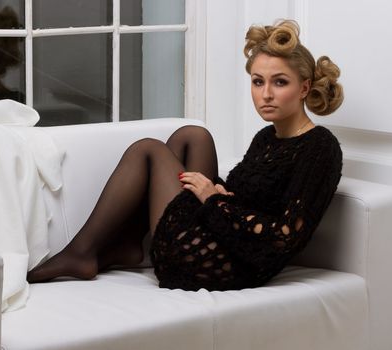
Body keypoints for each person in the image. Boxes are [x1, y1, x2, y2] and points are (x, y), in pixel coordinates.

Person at [27, 19, 344, 291]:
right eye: (258, 82)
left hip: (224, 264)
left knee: (148, 149)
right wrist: (222, 196)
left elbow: (282, 240)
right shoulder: (266, 138)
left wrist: (214, 199)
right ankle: (126, 245)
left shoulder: (320, 149)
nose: (266, 94)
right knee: (193, 136)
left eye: (280, 82)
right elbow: (244, 200)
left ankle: (81, 253)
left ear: (304, 88)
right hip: (226, 237)